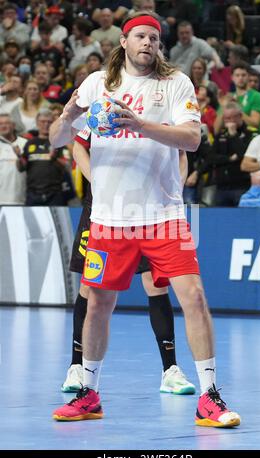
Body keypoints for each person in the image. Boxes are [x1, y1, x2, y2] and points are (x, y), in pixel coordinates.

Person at [50, 12, 240, 427]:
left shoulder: (176, 84)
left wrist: (140, 125)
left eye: (154, 37)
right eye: (141, 36)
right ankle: (89, 393)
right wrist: (65, 118)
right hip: (108, 218)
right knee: (98, 303)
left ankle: (209, 396)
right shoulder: (98, 84)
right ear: (124, 41)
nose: (148, 43)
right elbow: (58, 141)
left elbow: (191, 137)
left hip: (163, 215)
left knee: (193, 297)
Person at [62, 137, 195, 396]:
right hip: (104, 209)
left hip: (150, 209)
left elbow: (180, 153)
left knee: (155, 284)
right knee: (91, 288)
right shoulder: (100, 101)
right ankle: (77, 366)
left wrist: (175, 189)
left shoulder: (159, 105)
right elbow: (78, 146)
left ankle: (170, 370)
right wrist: (98, 185)